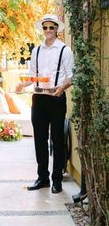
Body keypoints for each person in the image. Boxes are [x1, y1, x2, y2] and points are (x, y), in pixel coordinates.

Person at [16, 14, 74, 194]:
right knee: (40, 139)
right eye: (45, 28)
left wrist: (62, 87)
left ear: (57, 29)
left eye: (51, 27)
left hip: (56, 98)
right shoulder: (36, 51)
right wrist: (22, 84)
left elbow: (71, 76)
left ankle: (57, 180)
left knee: (57, 139)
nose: (48, 31)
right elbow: (33, 74)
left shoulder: (65, 50)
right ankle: (42, 178)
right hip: (39, 98)